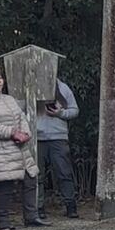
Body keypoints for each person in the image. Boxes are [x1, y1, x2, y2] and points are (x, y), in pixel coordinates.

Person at [0, 67, 50, 230]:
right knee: (4, 185)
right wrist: (12, 133)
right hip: (0, 149)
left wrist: (25, 133)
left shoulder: (9, 99)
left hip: (20, 147)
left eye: (0, 78)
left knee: (31, 179)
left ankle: (31, 217)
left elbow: (21, 117)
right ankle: (3, 221)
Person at [37, 78, 80, 219]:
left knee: (64, 172)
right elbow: (20, 111)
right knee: (37, 175)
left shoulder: (62, 87)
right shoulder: (30, 85)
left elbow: (74, 110)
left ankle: (70, 205)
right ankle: (38, 207)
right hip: (36, 137)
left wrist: (60, 113)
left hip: (58, 136)